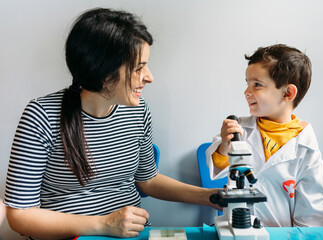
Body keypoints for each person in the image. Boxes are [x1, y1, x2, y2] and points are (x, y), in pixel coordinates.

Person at [4, 8, 218, 240]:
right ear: (104, 71)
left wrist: (208, 196)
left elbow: (148, 180)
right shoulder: (41, 115)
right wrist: (103, 224)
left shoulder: (138, 111)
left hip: (130, 236)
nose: (149, 77)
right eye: (139, 68)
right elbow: (20, 215)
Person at [206, 44, 323, 227]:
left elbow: (313, 217)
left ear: (288, 93)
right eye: (247, 83)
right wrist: (225, 146)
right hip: (237, 229)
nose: (246, 92)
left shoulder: (307, 150)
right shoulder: (239, 129)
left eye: (257, 84)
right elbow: (219, 167)